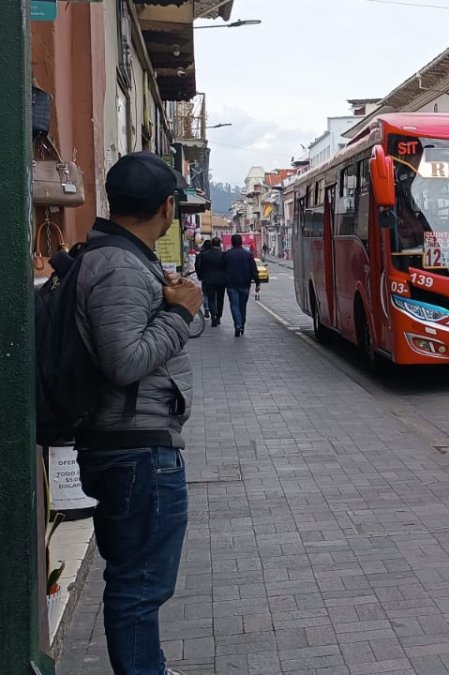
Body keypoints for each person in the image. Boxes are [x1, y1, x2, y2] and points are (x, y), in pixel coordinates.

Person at [73, 151, 203, 675]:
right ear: (167, 206)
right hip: (136, 451)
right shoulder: (120, 267)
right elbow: (125, 361)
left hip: (134, 445)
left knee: (140, 583)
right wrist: (178, 311)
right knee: (139, 586)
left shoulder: (120, 257)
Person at [222, 233, 260, 337]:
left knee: (234, 306)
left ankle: (237, 325)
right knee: (242, 306)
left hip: (231, 285)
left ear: (232, 242)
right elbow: (254, 270)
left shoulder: (227, 255)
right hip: (245, 284)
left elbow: (222, 270)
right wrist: (257, 283)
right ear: (241, 242)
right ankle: (242, 324)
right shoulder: (248, 255)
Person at [195, 237, 227, 327]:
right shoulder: (223, 255)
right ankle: (219, 316)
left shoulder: (204, 255)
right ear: (219, 244)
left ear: (212, 244)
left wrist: (201, 277)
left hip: (209, 280)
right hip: (221, 281)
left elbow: (199, 267)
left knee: (211, 299)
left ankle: (213, 314)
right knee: (220, 299)